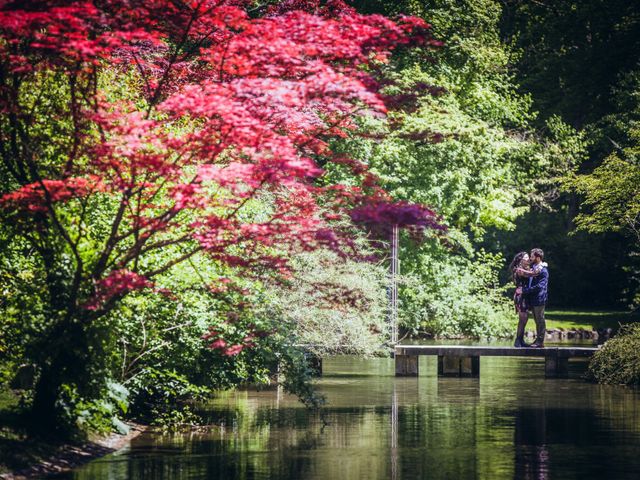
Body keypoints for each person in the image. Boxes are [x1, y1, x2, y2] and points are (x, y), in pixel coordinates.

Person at [517, 248, 549, 348]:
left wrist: (524, 291)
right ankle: (538, 341)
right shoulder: (534, 268)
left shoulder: (543, 271)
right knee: (536, 320)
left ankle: (540, 342)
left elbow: (540, 286)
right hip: (533, 299)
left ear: (538, 258)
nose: (530, 258)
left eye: (532, 256)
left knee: (540, 320)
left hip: (539, 299)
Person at [510, 251, 533, 347]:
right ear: (521, 259)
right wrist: (539, 269)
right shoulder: (519, 270)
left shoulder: (525, 268)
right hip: (520, 297)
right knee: (522, 319)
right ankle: (517, 341)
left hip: (525, 296)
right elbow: (531, 274)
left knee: (525, 319)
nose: (529, 259)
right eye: (527, 257)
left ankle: (521, 341)